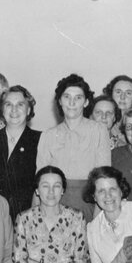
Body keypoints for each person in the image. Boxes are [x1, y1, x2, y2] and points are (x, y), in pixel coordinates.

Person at [35, 73, 110, 221]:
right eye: (67, 97)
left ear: (86, 102)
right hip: (54, 204)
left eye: (78, 98)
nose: (72, 103)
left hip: (88, 204)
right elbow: (40, 182)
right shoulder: (48, 135)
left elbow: (103, 179)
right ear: (60, 101)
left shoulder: (99, 131)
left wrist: (96, 220)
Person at [0, 84, 41, 220]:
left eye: (20, 105)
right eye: (8, 104)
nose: (14, 110)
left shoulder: (40, 139)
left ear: (28, 110)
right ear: (2, 109)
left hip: (27, 216)